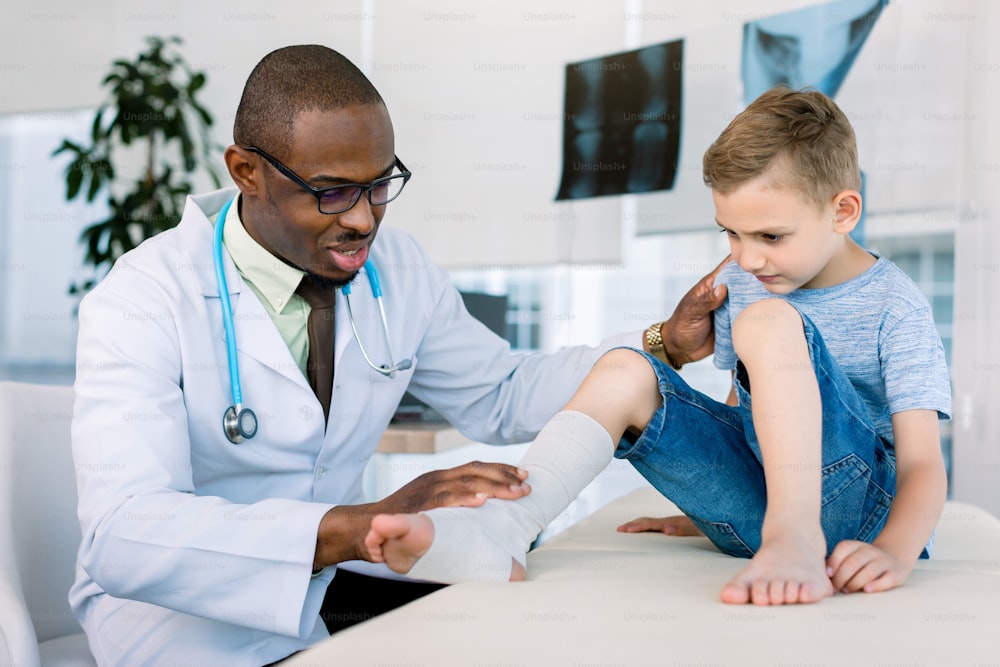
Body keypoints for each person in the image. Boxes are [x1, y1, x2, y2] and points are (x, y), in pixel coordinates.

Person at [69, 44, 724, 666]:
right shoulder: (143, 298)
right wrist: (355, 526)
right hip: (182, 614)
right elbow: (124, 534)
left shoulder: (398, 271)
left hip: (331, 582)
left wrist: (665, 342)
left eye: (379, 185)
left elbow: (502, 392)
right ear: (246, 171)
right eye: (331, 191)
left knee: (514, 633)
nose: (363, 219)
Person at [365, 86, 952, 606]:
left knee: (770, 322)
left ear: (843, 211)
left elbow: (924, 464)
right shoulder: (751, 277)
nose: (746, 258)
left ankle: (792, 537)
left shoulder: (893, 303)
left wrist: (898, 554)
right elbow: (748, 419)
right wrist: (712, 503)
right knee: (626, 366)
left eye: (771, 235)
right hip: (765, 511)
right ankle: (503, 531)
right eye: (731, 232)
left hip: (862, 517)